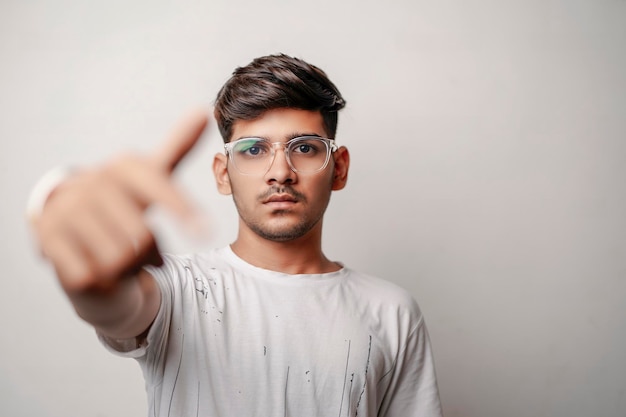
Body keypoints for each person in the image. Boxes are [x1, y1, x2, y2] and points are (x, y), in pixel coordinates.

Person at [28, 54, 443, 417]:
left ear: (339, 168)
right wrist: (60, 209)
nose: (280, 172)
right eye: (253, 149)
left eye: (304, 147)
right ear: (222, 174)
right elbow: (115, 305)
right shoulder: (177, 292)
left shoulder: (392, 313)